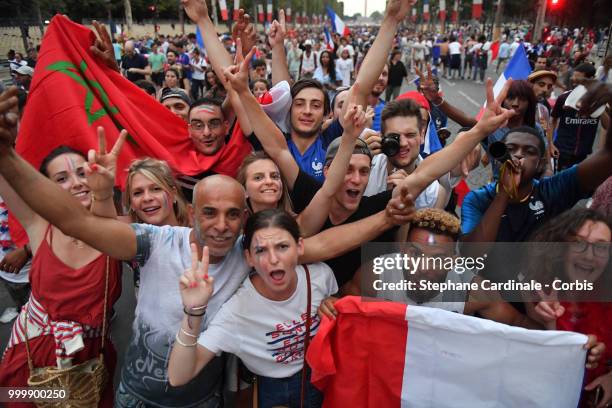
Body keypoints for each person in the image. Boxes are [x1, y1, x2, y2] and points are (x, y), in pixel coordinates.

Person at [0, 83, 414, 406]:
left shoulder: (252, 253)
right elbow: (72, 219)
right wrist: (6, 156)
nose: (221, 225)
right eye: (210, 214)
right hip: (130, 395)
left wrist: (386, 217)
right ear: (190, 212)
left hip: (202, 399)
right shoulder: (156, 241)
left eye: (233, 215)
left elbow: (324, 239)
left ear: (245, 217)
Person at [0, 115, 126, 407]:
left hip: (90, 356)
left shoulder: (114, 227)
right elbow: (7, 178)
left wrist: (103, 191)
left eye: (83, 173)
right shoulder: (38, 226)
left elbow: (105, 214)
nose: (77, 183)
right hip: (32, 353)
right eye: (62, 178)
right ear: (45, 189)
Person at [167, 210, 337, 407]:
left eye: (282, 246)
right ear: (249, 258)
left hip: (320, 374)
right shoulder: (238, 311)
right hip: (271, 386)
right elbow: (178, 376)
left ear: (299, 246)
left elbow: (339, 311)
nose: (273, 259)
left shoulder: (319, 277)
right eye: (261, 250)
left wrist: (331, 302)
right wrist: (193, 311)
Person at [527, 209, 612, 407]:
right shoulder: (539, 290)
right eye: (578, 243)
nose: (589, 256)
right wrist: (551, 323)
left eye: (601, 247)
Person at [552, 63, 609, 171]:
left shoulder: (599, 101)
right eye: (573, 77)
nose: (573, 80)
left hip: (583, 154)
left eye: (578, 78)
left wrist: (600, 107)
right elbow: (553, 120)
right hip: (562, 151)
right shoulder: (563, 98)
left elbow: (607, 126)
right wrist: (550, 144)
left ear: (591, 79)